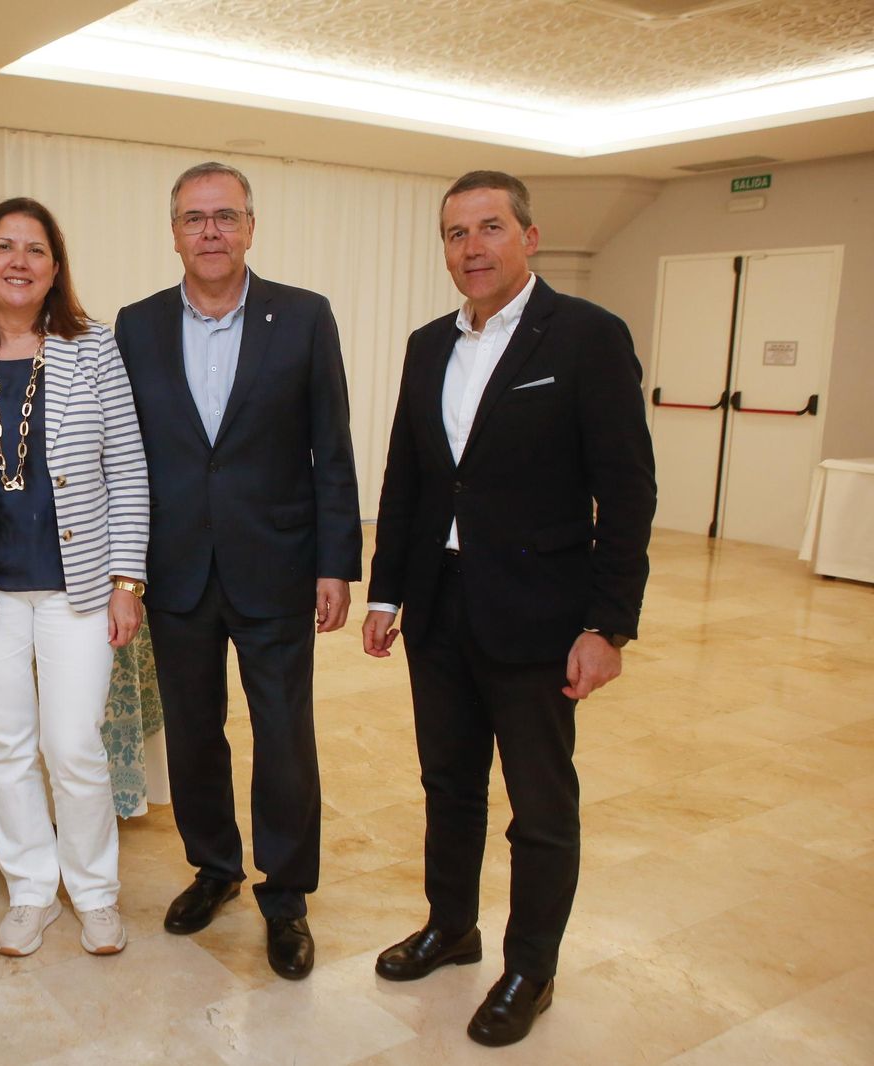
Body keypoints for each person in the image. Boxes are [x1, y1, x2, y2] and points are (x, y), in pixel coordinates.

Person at [363, 170, 656, 1047]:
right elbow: (409, 478)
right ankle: (451, 928)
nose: (473, 247)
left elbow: (628, 492)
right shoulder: (426, 345)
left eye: (490, 227)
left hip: (539, 614)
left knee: (540, 806)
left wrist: (606, 625)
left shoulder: (589, 337)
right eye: (456, 233)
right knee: (448, 785)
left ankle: (533, 966)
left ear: (530, 235)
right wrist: (387, 590)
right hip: (441, 608)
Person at [114, 162, 362, 980]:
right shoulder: (137, 325)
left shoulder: (303, 317)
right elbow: (125, 453)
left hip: (278, 563)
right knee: (191, 730)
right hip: (176, 566)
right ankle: (214, 867)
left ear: (250, 227)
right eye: (195, 218)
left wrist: (337, 561)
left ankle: (285, 897)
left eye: (226, 217)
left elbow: (333, 446)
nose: (211, 232)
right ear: (174, 230)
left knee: (284, 736)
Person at [0, 198, 149, 958]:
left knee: (74, 744)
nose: (20, 261)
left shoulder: (94, 348)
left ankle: (95, 892)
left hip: (77, 587)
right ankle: (30, 891)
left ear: (56, 268)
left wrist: (127, 580)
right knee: (7, 745)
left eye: (36, 249)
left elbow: (130, 467)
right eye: (4, 246)